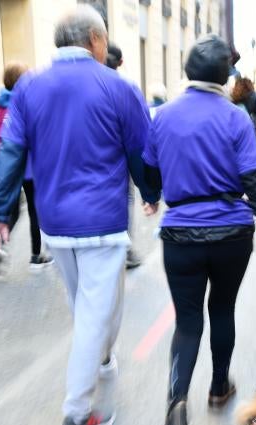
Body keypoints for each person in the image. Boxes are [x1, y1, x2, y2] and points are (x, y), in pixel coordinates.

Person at [0, 5, 160, 425]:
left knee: (87, 305)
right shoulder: (120, 87)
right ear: (96, 41)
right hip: (103, 220)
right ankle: (77, 416)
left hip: (56, 224)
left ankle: (99, 358)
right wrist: (151, 192)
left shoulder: (28, 88)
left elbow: (10, 152)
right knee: (97, 312)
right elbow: (141, 151)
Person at [143, 35, 256, 425]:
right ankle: (217, 387)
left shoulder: (162, 117)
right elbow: (255, 183)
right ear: (224, 77)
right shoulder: (235, 119)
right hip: (231, 234)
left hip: (180, 236)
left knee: (188, 320)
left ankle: (176, 402)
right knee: (222, 308)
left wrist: (155, 194)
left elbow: (150, 177)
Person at [0, 62, 53, 270]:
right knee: (34, 210)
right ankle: (35, 256)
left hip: (7, 168)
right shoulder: (26, 103)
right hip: (30, 168)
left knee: (12, 211)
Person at [104, 42, 143, 268]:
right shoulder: (126, 88)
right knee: (126, 201)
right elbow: (138, 141)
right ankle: (125, 250)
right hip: (120, 165)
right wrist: (149, 190)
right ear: (121, 63)